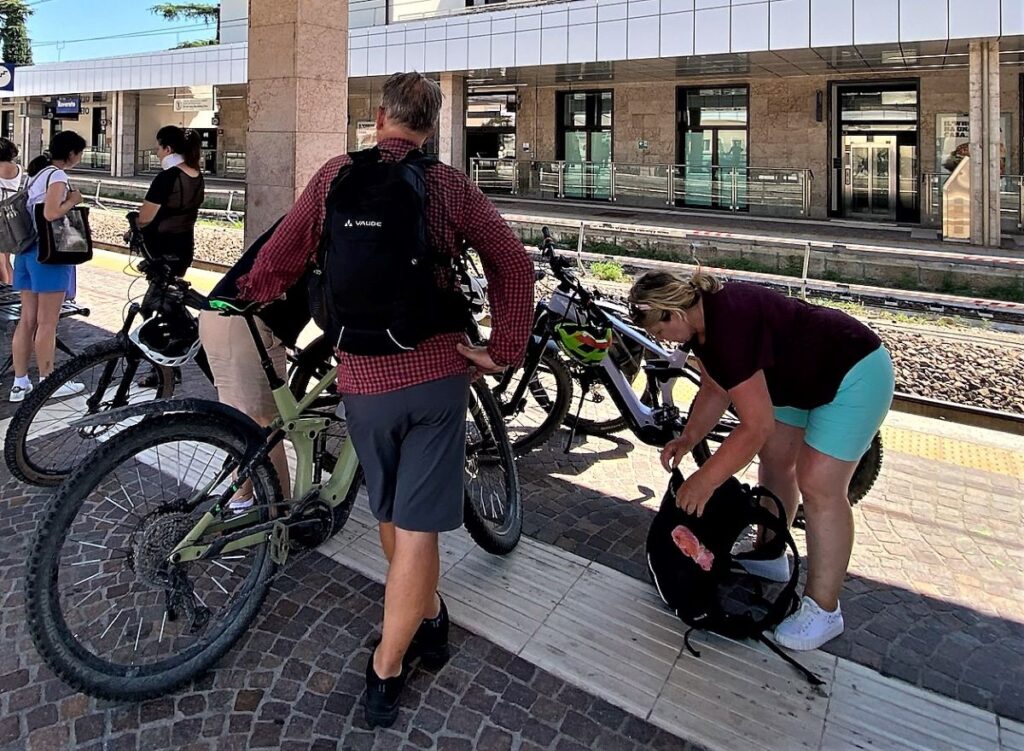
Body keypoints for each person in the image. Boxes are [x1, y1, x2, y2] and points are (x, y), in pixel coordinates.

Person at [234, 71, 534, 727]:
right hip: (435, 374)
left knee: (391, 507)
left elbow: (279, 257)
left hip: (362, 376)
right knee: (419, 522)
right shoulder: (449, 187)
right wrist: (504, 348)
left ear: (379, 117)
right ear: (430, 125)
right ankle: (389, 665)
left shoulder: (335, 176)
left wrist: (248, 291)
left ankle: (421, 619)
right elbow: (513, 262)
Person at [628, 270, 894, 651]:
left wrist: (705, 481)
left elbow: (754, 428)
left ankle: (824, 610)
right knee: (775, 459)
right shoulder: (703, 325)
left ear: (675, 314)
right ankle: (771, 553)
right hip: (801, 379)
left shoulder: (727, 328)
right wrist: (688, 438)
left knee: (819, 485)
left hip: (852, 373)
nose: (660, 340)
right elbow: (715, 388)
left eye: (659, 331)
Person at [197, 221, 307, 511]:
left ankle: (242, 503)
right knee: (265, 427)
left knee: (242, 425)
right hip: (248, 327)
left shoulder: (301, 220)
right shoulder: (339, 229)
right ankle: (278, 516)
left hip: (217, 314)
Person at [9, 131, 88, 403]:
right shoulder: (57, 176)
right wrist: (73, 200)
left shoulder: (35, 175)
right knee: (47, 322)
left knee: (26, 321)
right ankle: (47, 381)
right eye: (79, 153)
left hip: (26, 253)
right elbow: (51, 213)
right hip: (49, 257)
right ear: (71, 154)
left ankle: (20, 383)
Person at [136, 126, 205, 388]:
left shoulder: (166, 178)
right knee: (167, 302)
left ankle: (167, 364)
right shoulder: (196, 175)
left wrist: (136, 221)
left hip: (160, 251)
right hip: (183, 248)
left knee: (151, 309)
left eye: (158, 147)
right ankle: (177, 352)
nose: (156, 152)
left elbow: (145, 218)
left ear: (167, 148)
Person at [0, 137, 22, 285]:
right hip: (11, 216)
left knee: (0, 260)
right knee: (6, 259)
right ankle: (12, 289)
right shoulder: (18, 168)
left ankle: (4, 290)